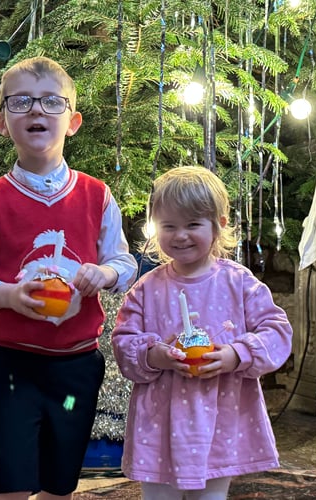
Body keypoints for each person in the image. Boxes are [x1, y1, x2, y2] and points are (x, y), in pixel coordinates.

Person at [0, 56, 138, 500]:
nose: (37, 110)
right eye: (22, 102)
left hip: (77, 368)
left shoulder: (97, 195)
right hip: (12, 366)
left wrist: (106, 271)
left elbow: (126, 262)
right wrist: (10, 295)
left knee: (60, 480)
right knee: (13, 478)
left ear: (72, 121)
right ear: (1, 122)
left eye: (52, 102)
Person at [111, 165, 293, 500]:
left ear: (219, 225)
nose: (180, 235)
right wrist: (155, 355)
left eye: (193, 224)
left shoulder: (239, 283)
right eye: (169, 226)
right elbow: (123, 343)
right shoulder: (145, 289)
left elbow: (277, 331)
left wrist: (236, 354)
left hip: (221, 425)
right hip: (159, 426)